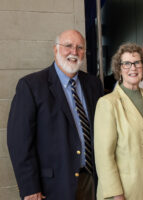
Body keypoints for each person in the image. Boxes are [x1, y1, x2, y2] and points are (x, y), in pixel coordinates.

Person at [7, 30, 104, 200]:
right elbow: (19, 141)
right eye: (68, 46)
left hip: (91, 180)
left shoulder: (93, 84)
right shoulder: (31, 86)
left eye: (79, 47)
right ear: (55, 49)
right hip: (53, 186)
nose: (74, 52)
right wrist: (30, 187)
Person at [94, 43, 143, 200]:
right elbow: (104, 156)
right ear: (119, 68)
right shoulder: (108, 103)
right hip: (128, 187)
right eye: (127, 63)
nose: (133, 68)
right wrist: (116, 194)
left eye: (137, 62)